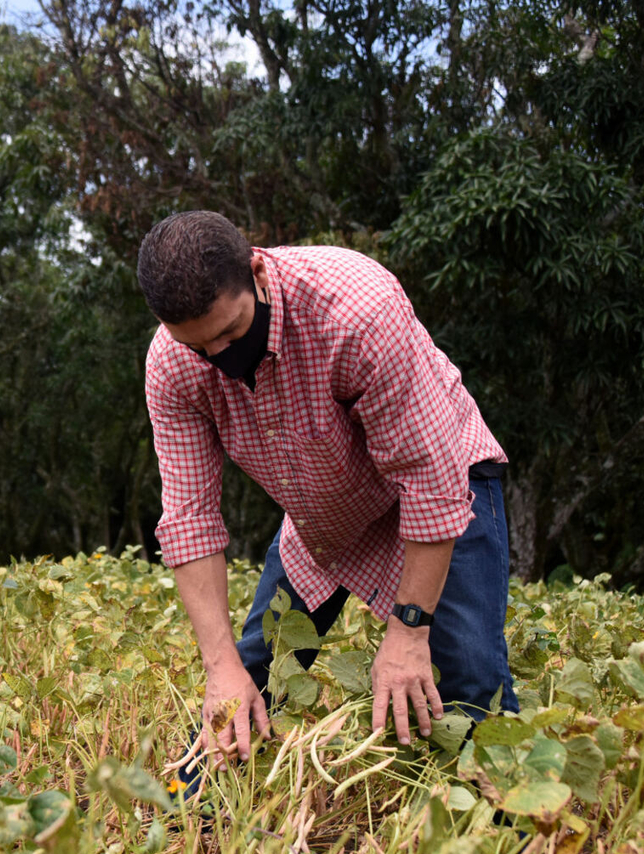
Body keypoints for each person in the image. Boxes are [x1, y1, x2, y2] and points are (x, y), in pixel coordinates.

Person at [138, 210, 519, 777]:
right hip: (326, 513)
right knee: (250, 682)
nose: (219, 358)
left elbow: (429, 483)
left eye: (231, 333)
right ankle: (191, 826)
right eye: (200, 346)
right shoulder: (172, 365)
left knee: (466, 680)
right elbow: (190, 520)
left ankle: (510, 849)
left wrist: (409, 631)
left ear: (259, 273)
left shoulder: (356, 311)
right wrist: (219, 667)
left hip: (442, 484)